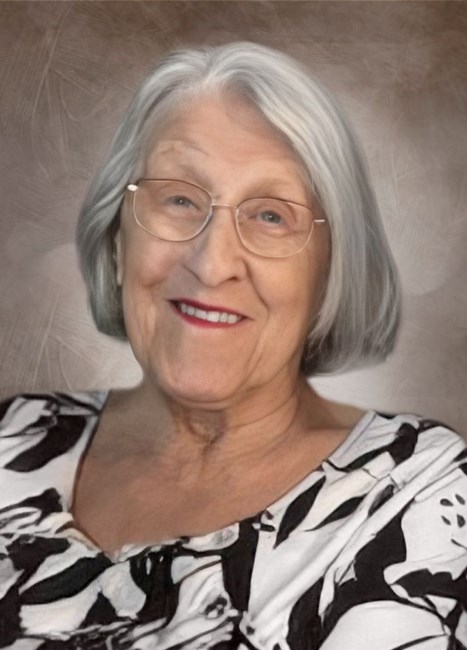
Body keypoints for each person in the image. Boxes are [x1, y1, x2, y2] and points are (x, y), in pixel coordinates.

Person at [0, 42, 465, 650]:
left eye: (271, 216)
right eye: (179, 199)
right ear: (117, 238)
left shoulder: (416, 496)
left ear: (331, 271)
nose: (212, 262)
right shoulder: (13, 438)